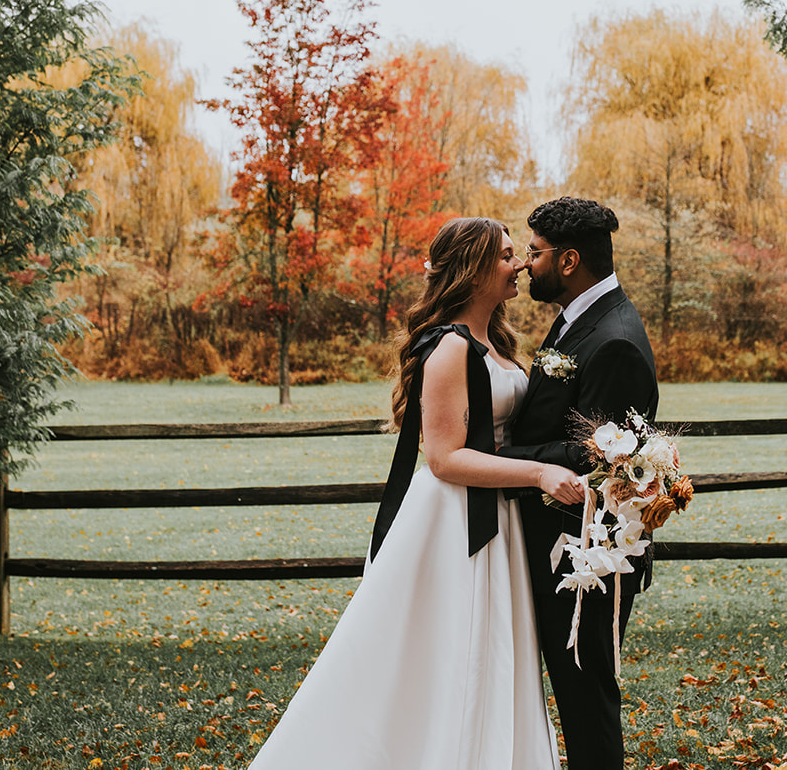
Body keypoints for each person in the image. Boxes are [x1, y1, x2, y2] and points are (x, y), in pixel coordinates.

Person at [245, 217, 585, 770]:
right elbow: (445, 458)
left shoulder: (494, 341)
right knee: (441, 651)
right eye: (504, 256)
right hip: (454, 520)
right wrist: (539, 474)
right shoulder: (450, 348)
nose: (519, 263)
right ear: (474, 271)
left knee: (492, 649)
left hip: (495, 513)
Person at [499, 196, 660, 770]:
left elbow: (593, 456)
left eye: (535, 253)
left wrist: (500, 456)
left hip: (589, 551)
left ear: (569, 261)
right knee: (574, 691)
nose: (525, 265)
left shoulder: (613, 338)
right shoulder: (578, 319)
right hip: (558, 539)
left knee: (586, 696)